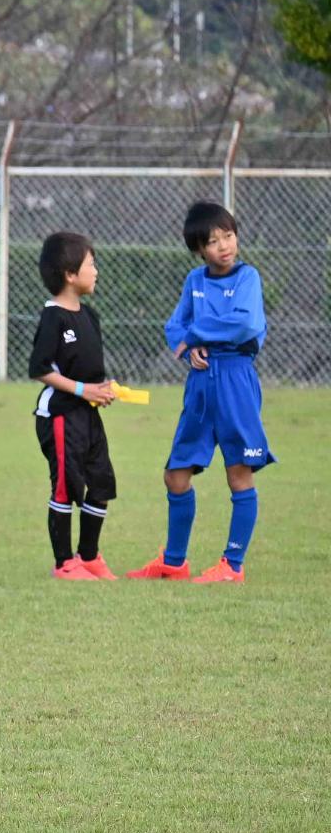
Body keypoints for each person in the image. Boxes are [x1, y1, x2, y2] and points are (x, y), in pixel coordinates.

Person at [127, 202, 273, 583]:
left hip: (236, 380)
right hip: (200, 386)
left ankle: (232, 566)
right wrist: (189, 348)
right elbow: (175, 326)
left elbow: (245, 324)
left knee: (238, 473)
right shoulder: (195, 280)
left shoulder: (248, 278)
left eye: (229, 235)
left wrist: (197, 334)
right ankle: (174, 563)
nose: (224, 245)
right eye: (213, 241)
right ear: (199, 249)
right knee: (176, 474)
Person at [28, 232, 121, 580]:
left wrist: (103, 388)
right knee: (66, 487)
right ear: (70, 274)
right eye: (91, 264)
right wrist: (84, 390)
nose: (96, 271)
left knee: (101, 482)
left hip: (88, 416)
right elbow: (39, 369)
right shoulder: (53, 317)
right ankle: (65, 564)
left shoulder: (90, 316)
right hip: (60, 416)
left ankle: (90, 557)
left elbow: (88, 368)